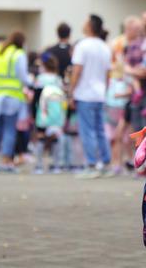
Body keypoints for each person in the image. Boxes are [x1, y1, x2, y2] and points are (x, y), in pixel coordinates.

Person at [68, 15, 112, 179]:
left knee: (87, 131)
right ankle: (106, 164)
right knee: (100, 130)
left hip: (85, 93)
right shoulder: (104, 47)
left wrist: (71, 92)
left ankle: (92, 164)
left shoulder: (82, 45)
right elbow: (108, 74)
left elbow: (77, 71)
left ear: (90, 26)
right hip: (99, 94)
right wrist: (105, 90)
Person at [0, 31, 28, 173]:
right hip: (11, 96)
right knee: (9, 129)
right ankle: (6, 161)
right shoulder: (18, 54)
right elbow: (23, 76)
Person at [34, 55, 66, 174]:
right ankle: (56, 165)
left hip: (43, 111)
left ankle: (39, 166)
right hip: (57, 113)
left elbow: (36, 98)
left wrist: (33, 113)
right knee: (55, 137)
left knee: (41, 137)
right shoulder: (58, 79)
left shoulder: (40, 79)